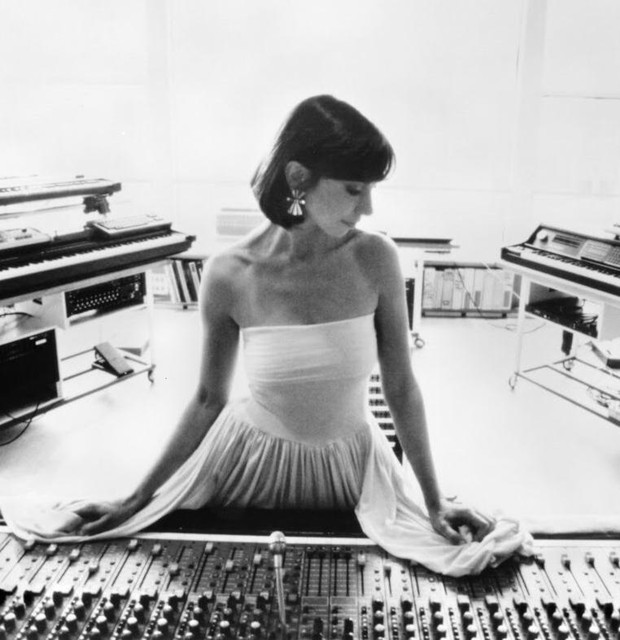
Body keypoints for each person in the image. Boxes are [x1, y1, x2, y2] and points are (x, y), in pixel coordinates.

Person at [0, 95, 532, 576]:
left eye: (371, 189)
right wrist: (134, 497)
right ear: (298, 177)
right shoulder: (229, 273)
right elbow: (207, 399)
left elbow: (402, 387)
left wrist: (435, 501)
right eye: (354, 189)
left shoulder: (378, 258)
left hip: (353, 467)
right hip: (247, 463)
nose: (367, 207)